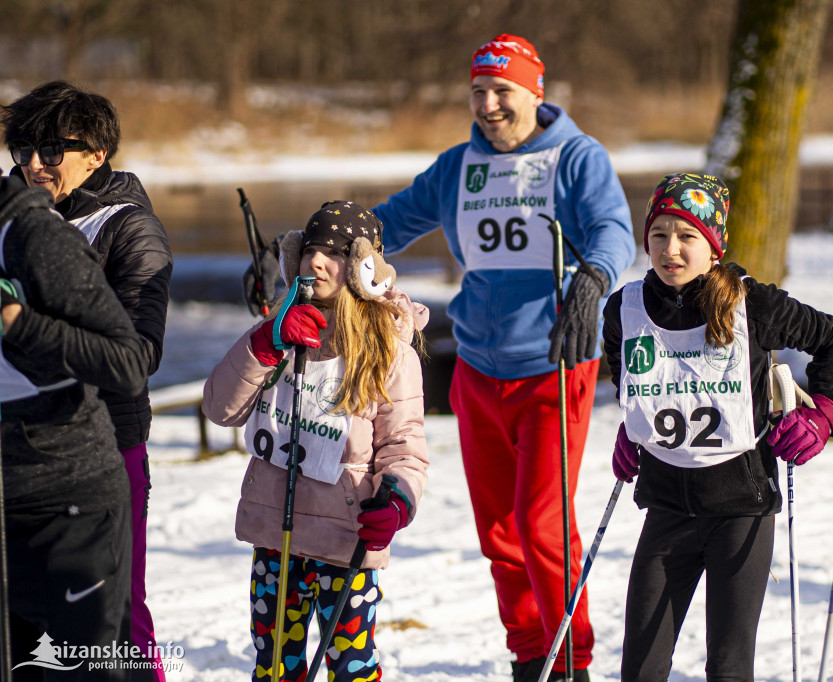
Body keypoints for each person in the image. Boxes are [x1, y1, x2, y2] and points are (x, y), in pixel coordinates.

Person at [366, 33, 635, 681]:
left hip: (553, 366)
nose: (489, 105)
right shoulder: (459, 167)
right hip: (478, 371)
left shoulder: (576, 158)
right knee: (500, 534)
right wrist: (320, 240)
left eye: (503, 92)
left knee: (543, 527)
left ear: (535, 95)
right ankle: (530, 655)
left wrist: (593, 282)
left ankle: (571, 660)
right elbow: (389, 223)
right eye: (479, 92)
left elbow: (613, 230)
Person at [605, 173, 833, 681]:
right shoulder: (624, 308)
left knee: (729, 665)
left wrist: (822, 414)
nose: (670, 249)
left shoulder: (750, 303)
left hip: (740, 507)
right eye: (658, 234)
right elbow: (630, 379)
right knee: (641, 667)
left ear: (713, 245)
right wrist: (632, 431)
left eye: (686, 235)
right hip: (667, 508)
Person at [203, 200, 429, 682]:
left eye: (336, 253)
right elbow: (220, 408)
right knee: (274, 668)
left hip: (344, 544)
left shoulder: (390, 350)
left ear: (363, 267)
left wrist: (397, 500)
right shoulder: (278, 333)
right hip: (275, 544)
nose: (317, 262)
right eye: (310, 250)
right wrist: (266, 344)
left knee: (351, 667)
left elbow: (404, 446)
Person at [2, 80, 173, 678]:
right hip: (26, 452)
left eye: (51, 150)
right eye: (19, 149)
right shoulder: (18, 224)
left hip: (109, 444)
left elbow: (139, 354)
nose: (31, 164)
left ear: (97, 153)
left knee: (116, 618)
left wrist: (28, 329)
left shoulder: (128, 229)